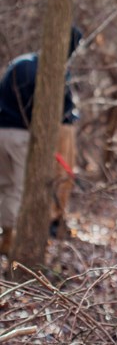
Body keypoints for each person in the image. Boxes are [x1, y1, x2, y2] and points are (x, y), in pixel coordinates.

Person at [0, 26, 83, 254]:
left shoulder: (19, 62)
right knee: (19, 188)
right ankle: (12, 242)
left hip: (2, 131)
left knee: (5, 187)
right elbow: (61, 113)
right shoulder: (50, 71)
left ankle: (7, 236)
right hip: (20, 135)